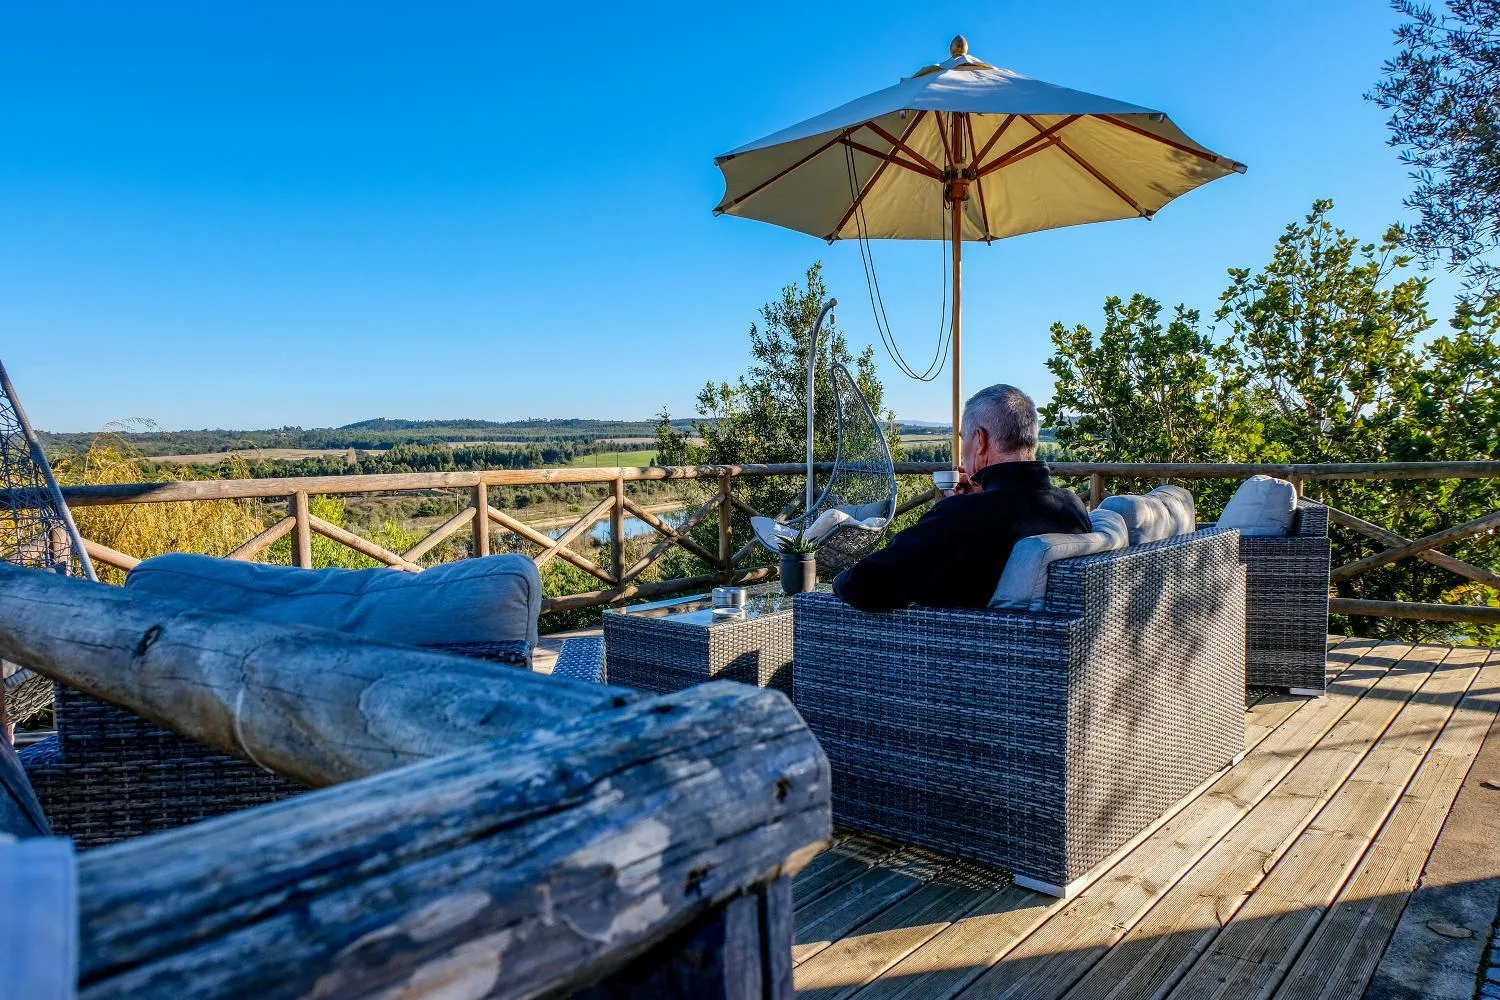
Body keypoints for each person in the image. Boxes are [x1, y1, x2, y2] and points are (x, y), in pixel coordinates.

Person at [833, 383, 1090, 611]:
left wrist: (837, 578)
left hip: (952, 653)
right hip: (1038, 652)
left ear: (980, 440)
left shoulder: (966, 516)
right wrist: (975, 501)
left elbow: (863, 584)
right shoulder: (1071, 505)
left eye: (963, 438)